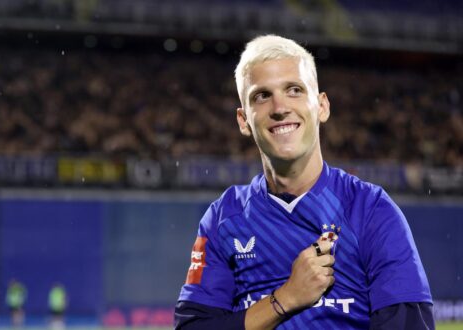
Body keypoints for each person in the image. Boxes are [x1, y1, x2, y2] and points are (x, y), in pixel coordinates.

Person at [174, 35, 434, 329]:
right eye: (261, 96)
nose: (279, 107)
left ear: (322, 106)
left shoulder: (371, 210)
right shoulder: (224, 218)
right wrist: (285, 299)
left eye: (294, 90)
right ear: (243, 120)